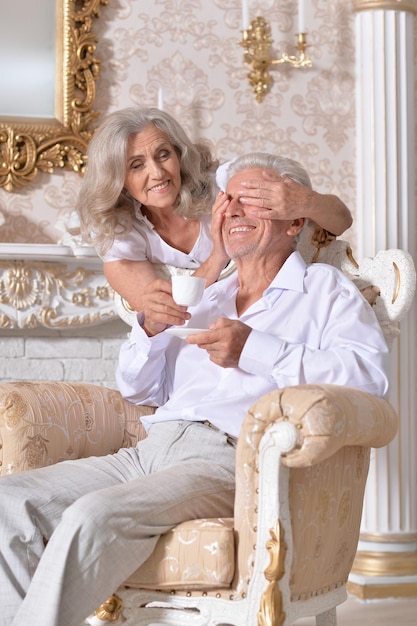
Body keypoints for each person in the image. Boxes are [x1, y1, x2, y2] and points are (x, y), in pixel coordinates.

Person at [0, 153, 386, 626]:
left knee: (92, 516)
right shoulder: (204, 295)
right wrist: (148, 329)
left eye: (255, 201)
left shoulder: (324, 289)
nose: (235, 211)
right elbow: (138, 387)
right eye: (228, 202)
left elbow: (370, 383)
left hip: (229, 461)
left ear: (294, 220)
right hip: (150, 450)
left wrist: (257, 350)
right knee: (7, 505)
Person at [77, 106, 352, 313]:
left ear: (179, 154)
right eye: (136, 165)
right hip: (210, 326)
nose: (157, 173)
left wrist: (304, 201)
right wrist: (218, 256)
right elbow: (165, 313)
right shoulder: (119, 234)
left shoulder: (224, 182)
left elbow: (341, 221)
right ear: (117, 178)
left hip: (281, 305)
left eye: (163, 155)